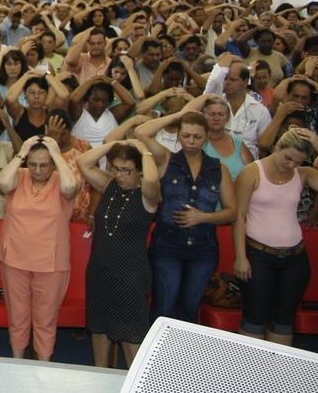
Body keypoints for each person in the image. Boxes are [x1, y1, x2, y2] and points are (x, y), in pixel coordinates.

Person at [137, 111, 236, 323]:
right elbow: (141, 132)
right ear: (178, 135)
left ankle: (182, 355)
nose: (191, 141)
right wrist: (177, 116)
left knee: (190, 309)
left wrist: (204, 217)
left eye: (197, 137)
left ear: (207, 136)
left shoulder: (218, 168)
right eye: (186, 135)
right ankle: (156, 354)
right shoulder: (167, 159)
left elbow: (232, 211)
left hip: (204, 248)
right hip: (168, 245)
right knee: (164, 304)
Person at [0, 136, 80, 360]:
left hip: (51, 264)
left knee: (45, 320)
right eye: (33, 164)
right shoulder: (18, 177)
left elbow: (72, 187)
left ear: (52, 164)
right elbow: (2, 183)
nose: (38, 170)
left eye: (44, 165)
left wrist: (58, 157)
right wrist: (21, 153)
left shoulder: (62, 180)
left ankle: (43, 365)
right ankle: (17, 361)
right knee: (18, 317)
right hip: (14, 259)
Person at [76, 141, 160, 368]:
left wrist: (144, 150)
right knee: (99, 328)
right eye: (116, 169)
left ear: (140, 169)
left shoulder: (147, 195)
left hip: (130, 275)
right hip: (100, 269)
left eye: (127, 170)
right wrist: (115, 144)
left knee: (130, 334)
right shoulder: (110, 185)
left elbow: (152, 180)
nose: (120, 175)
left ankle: (132, 390)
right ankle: (100, 378)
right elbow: (83, 162)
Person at [233, 128, 318, 347]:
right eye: (288, 158)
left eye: (298, 162)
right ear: (278, 146)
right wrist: (240, 257)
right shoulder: (252, 172)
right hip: (258, 256)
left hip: (295, 258)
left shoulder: (303, 174)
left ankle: (277, 377)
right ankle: (246, 375)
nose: (290, 165)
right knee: (254, 318)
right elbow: (239, 217)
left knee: (284, 320)